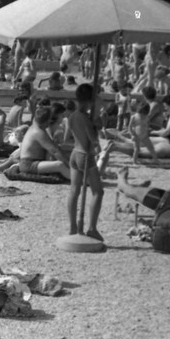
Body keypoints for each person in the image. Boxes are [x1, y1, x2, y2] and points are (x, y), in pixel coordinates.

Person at [67, 83, 105, 241]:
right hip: (85, 155)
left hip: (74, 153)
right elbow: (93, 140)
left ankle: (72, 227)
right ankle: (92, 228)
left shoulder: (72, 116)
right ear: (90, 101)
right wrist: (96, 122)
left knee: (74, 191)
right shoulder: (84, 117)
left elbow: (68, 138)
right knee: (98, 191)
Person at [18, 107, 71, 180]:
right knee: (60, 165)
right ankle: (80, 180)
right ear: (46, 120)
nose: (50, 122)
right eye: (49, 120)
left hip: (31, 162)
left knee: (62, 158)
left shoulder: (36, 128)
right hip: (29, 164)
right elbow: (55, 151)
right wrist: (68, 165)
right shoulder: (38, 132)